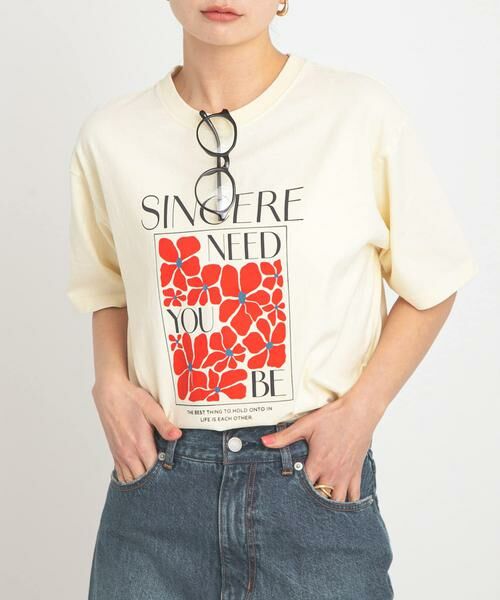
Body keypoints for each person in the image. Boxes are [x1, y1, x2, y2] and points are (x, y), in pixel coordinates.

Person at [66, 1, 478, 599]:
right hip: (157, 493)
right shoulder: (111, 136)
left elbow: (433, 282)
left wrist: (361, 413)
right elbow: (108, 283)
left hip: (312, 487)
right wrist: (109, 382)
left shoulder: (357, 114)